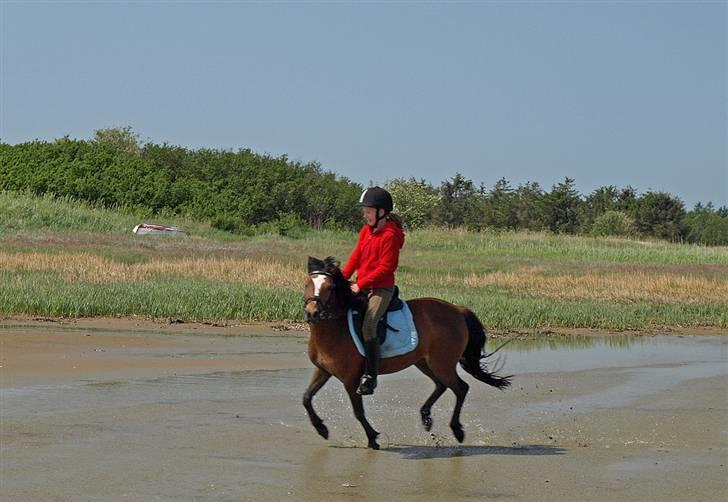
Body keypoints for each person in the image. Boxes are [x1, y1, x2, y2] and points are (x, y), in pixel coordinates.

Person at [342, 186, 405, 395]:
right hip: (363, 284)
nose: (365, 214)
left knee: (369, 325)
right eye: (365, 211)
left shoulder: (391, 235)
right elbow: (356, 256)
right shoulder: (365, 231)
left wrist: (361, 284)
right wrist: (342, 279)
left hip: (381, 288)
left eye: (368, 211)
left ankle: (371, 375)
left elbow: (387, 268)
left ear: (381, 212)